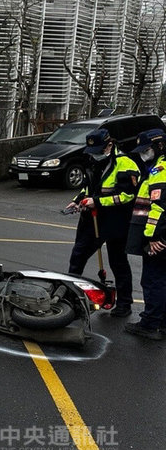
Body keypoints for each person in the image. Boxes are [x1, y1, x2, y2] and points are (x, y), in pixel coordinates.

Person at [65, 128, 139, 316]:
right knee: (77, 257)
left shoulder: (126, 164)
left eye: (99, 150)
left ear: (109, 145)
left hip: (115, 222)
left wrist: (97, 202)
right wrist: (77, 200)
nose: (95, 154)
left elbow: (127, 196)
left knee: (118, 262)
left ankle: (124, 304)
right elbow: (88, 188)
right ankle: (70, 296)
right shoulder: (93, 160)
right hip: (92, 220)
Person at [125, 129, 166, 339]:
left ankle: (150, 324)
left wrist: (153, 237)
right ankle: (162, 322)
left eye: (146, 149)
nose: (143, 153)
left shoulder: (160, 169)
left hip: (159, 236)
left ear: (159, 146)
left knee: (153, 279)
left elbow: (158, 207)